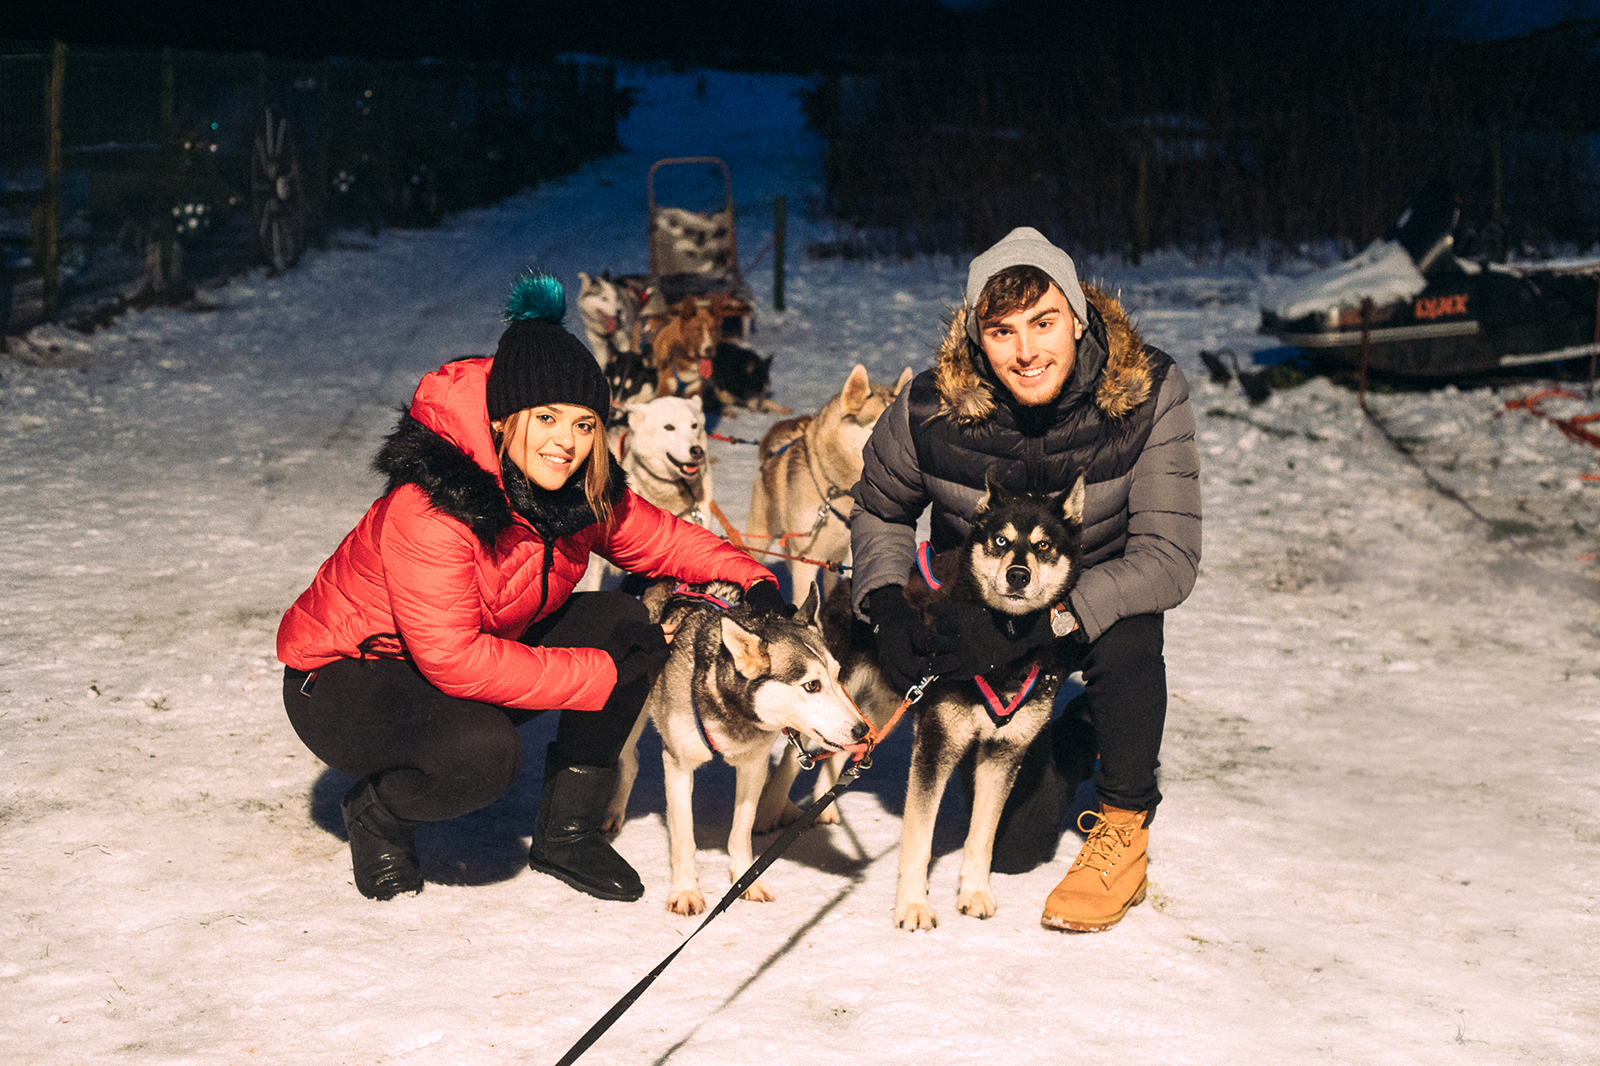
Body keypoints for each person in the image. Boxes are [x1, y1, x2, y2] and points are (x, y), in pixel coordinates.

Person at [276, 273, 785, 902]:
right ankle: (379, 814)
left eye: (583, 424)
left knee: (628, 625)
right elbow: (454, 659)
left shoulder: (572, 486)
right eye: (546, 418)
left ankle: (568, 833)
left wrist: (753, 578)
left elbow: (662, 539)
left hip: (465, 650)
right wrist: (598, 675)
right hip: (347, 679)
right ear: (503, 419)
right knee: (483, 756)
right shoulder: (433, 507)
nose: (566, 442)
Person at [849, 227, 1201, 932]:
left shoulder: (1147, 395)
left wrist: (1050, 623)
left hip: (1093, 612)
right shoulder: (927, 407)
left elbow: (1168, 556)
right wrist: (887, 605)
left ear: (1078, 316)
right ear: (978, 339)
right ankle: (1072, 741)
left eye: (1044, 323)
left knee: (1134, 638)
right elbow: (879, 511)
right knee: (1014, 852)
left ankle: (1124, 824)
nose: (1027, 351)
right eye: (1002, 331)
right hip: (976, 617)